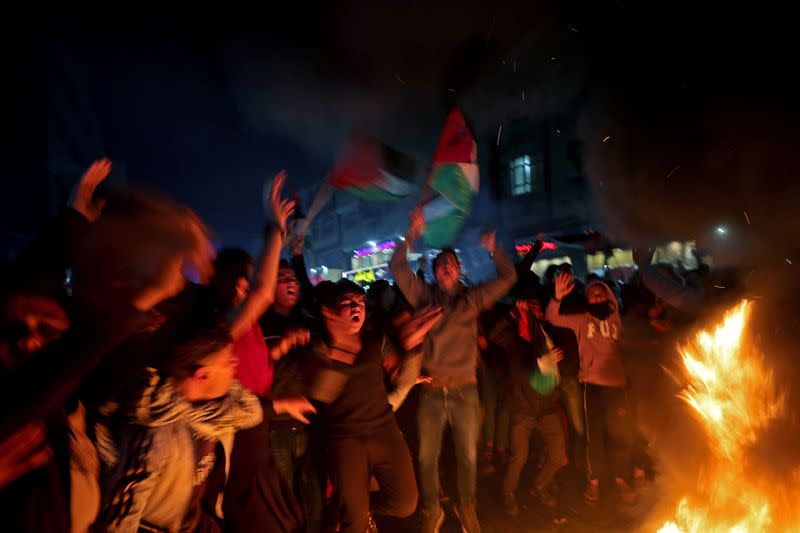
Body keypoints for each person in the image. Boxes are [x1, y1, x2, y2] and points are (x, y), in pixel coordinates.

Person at [389, 207, 517, 533]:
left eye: (452, 263)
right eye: (441, 263)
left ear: (459, 271)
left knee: (468, 458)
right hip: (432, 391)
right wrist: (411, 234)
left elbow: (508, 278)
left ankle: (467, 507)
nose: (447, 266)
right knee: (425, 459)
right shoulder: (423, 296)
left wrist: (494, 249)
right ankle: (432, 511)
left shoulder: (471, 299)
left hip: (466, 389)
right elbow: (396, 266)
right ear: (433, 271)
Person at [95, 325, 262, 532]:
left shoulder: (214, 416)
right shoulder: (158, 431)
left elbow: (251, 411)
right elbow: (121, 516)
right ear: (202, 375)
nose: (236, 364)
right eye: (228, 361)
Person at [304, 280, 441, 533]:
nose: (357, 307)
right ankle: (350, 510)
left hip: (383, 430)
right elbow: (322, 394)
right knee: (353, 524)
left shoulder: (375, 339)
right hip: (345, 439)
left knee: (404, 503)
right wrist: (341, 346)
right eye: (349, 303)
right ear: (332, 311)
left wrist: (413, 347)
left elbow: (401, 378)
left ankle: (350, 507)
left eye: (361, 302)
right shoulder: (319, 345)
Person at [546, 272, 636, 504]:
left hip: (617, 384)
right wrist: (556, 298)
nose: (596, 299)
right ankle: (593, 481)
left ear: (609, 297)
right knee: (593, 435)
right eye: (592, 296)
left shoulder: (618, 319)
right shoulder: (582, 319)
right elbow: (552, 317)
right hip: (591, 385)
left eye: (600, 294)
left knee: (619, 434)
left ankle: (621, 479)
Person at [485, 278, 566, 516]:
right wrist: (512, 313)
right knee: (518, 457)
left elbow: (559, 362)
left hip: (549, 405)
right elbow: (493, 335)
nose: (531, 312)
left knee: (558, 454)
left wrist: (556, 362)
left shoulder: (548, 332)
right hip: (523, 406)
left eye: (535, 308)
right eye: (527, 308)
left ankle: (539, 487)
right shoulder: (514, 340)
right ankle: (508, 494)